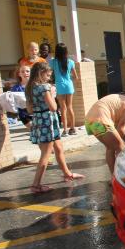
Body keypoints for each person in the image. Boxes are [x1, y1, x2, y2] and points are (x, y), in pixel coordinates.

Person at [25, 61, 84, 193]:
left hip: (39, 120)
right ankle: (36, 185)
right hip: (48, 121)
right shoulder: (44, 87)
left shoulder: (29, 88)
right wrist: (52, 94)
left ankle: (67, 173)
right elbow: (53, 107)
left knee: (58, 148)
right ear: (41, 74)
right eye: (47, 75)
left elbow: (29, 109)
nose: (49, 78)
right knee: (46, 154)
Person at [51, 43, 80, 136]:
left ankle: (65, 130)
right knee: (70, 107)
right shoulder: (70, 62)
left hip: (59, 86)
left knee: (63, 108)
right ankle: (73, 129)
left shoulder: (53, 62)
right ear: (66, 51)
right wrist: (68, 77)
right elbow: (76, 77)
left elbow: (49, 72)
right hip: (69, 85)